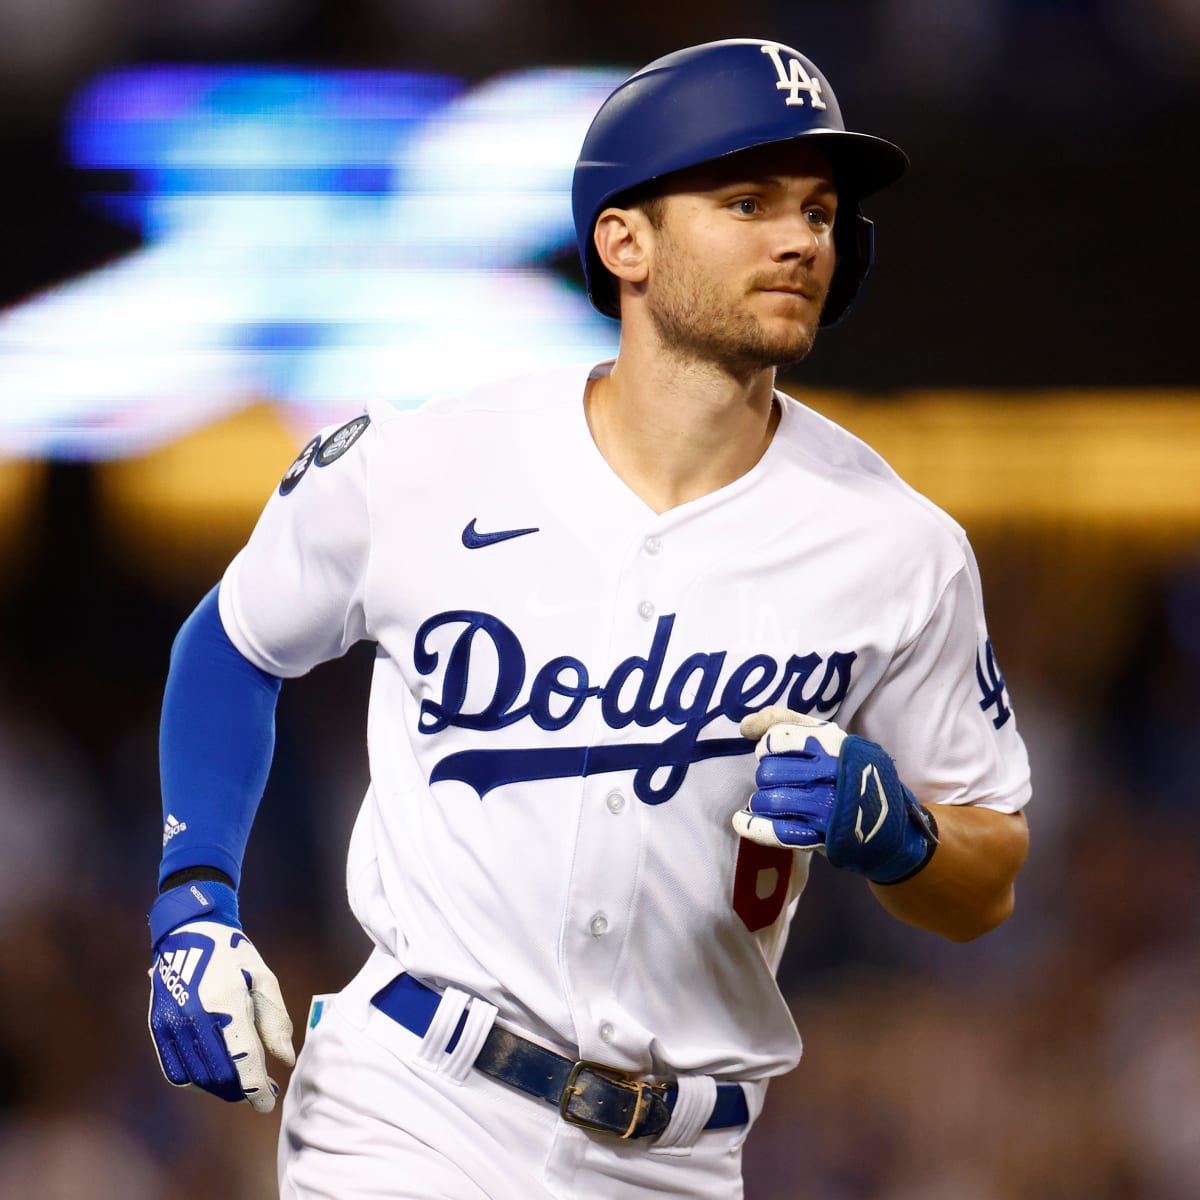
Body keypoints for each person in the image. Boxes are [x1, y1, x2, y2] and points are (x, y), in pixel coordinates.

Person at [146, 38, 1031, 1200]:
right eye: (747, 200)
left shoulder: (895, 544)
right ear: (625, 241)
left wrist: (902, 831)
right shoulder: (429, 461)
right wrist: (191, 903)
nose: (800, 238)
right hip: (413, 1102)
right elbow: (234, 640)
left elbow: (990, 876)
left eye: (820, 211)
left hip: (683, 1153)